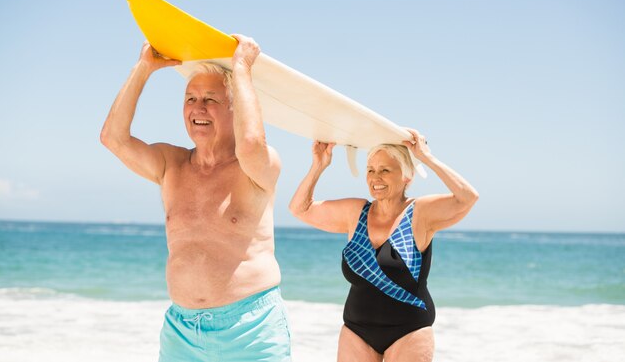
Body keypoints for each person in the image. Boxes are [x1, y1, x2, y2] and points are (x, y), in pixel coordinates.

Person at [100, 35, 291, 362]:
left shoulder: (258, 166)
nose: (198, 108)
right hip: (182, 333)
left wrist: (242, 69)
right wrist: (144, 68)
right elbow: (113, 138)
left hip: (251, 328)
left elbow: (249, 142)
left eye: (211, 100)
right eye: (191, 98)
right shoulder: (169, 164)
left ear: (234, 107)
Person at [289, 132, 479, 362]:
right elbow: (300, 208)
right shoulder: (355, 212)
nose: (375, 177)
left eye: (385, 170)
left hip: (409, 332)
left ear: (406, 177)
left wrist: (426, 158)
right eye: (370, 170)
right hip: (356, 331)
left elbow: (467, 197)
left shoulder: (420, 212)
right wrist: (318, 166)